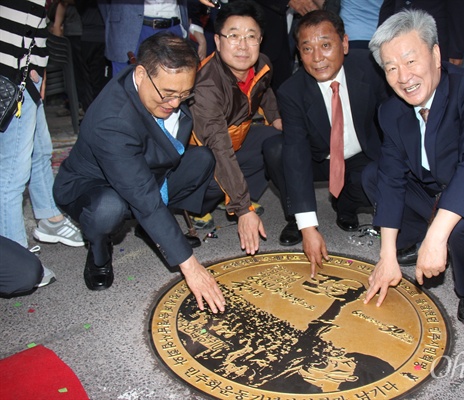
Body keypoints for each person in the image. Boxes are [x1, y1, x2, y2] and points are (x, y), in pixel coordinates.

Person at [362, 9, 464, 325]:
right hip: (436, 191)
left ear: (436, 54)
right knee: (373, 175)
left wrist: (437, 237)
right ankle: (414, 242)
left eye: (411, 61)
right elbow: (390, 179)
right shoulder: (391, 111)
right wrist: (386, 255)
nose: (403, 77)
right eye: (391, 68)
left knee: (462, 223)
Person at [53, 32, 225, 314]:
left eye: (184, 94)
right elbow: (142, 195)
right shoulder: (112, 120)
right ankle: (99, 253)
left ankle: (154, 228)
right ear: (141, 73)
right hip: (93, 187)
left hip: (145, 171)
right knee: (109, 208)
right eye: (168, 94)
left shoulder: (166, 87)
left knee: (203, 160)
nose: (175, 104)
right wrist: (190, 266)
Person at [274, 10, 387, 274]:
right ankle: (295, 217)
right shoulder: (291, 91)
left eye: (326, 45)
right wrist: (308, 227)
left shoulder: (371, 70)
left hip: (360, 154)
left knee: (372, 175)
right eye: (307, 49)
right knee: (276, 150)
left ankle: (345, 206)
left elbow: (394, 123)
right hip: (319, 157)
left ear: (344, 43)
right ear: (298, 53)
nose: (317, 58)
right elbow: (296, 154)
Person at [188, 1, 284, 256]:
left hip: (236, 138)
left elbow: (265, 92)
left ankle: (234, 194)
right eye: (233, 36)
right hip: (200, 152)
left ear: (260, 40)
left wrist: (276, 119)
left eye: (250, 37)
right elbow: (218, 148)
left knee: (278, 142)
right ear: (218, 42)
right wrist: (243, 209)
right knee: (211, 166)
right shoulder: (207, 85)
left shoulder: (262, 64)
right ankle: (198, 206)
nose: (243, 45)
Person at [0, 0, 84, 259]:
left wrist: (39, 70)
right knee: (12, 173)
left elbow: (35, 25)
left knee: (41, 151)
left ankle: (50, 218)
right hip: (11, 75)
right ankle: (15, 257)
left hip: (27, 73)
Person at [98, 0, 200, 77]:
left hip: (173, 26)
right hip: (128, 29)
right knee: (126, 91)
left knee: (174, 88)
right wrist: (114, 22)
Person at [378, 0, 464, 66]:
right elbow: (388, 6)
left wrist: (456, 51)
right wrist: (381, 40)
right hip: (399, 36)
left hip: (434, 38)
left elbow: (458, 11)